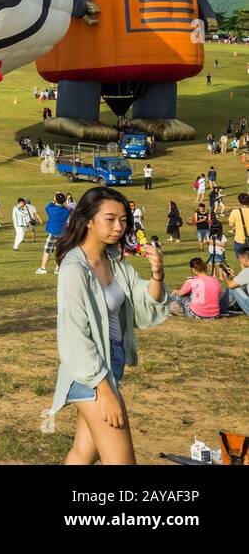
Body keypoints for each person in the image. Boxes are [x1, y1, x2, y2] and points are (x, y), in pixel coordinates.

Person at [50, 186, 168, 465]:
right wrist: (105, 390)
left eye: (124, 220)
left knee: (83, 453)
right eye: (110, 219)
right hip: (90, 374)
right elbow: (74, 336)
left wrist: (157, 273)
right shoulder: (74, 269)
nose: (119, 227)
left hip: (110, 364)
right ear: (88, 220)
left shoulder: (113, 261)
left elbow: (143, 298)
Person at [38, 193, 71, 275]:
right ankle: (57, 269)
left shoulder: (51, 209)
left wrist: (53, 200)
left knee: (47, 250)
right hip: (62, 233)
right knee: (59, 252)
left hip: (52, 233)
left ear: (55, 200)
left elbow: (48, 206)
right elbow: (64, 209)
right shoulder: (66, 211)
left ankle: (43, 268)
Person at [217, 247, 249, 314]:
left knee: (233, 288)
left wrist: (226, 278)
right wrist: (234, 276)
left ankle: (220, 307)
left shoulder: (247, 271)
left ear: (244, 259)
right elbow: (245, 279)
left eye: (240, 259)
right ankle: (236, 307)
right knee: (243, 287)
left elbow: (231, 285)